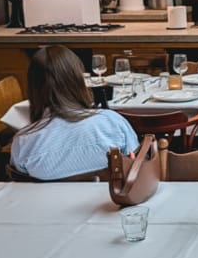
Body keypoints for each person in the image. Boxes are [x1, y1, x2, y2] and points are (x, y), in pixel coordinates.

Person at [10, 46, 138, 180]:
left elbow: (22, 187)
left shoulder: (23, 141)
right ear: (78, 80)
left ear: (33, 88)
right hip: (108, 200)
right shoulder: (112, 121)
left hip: (50, 201)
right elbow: (136, 165)